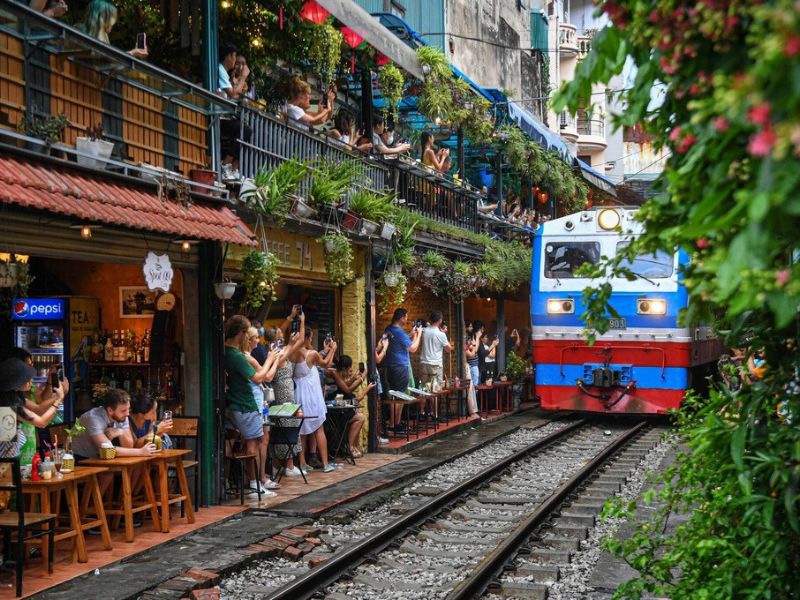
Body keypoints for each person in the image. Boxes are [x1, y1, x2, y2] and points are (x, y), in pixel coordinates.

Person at [223, 315, 282, 496]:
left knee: (232, 441)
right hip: (245, 404)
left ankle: (227, 482)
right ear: (242, 333)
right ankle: (255, 485)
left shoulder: (225, 352)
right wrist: (271, 358)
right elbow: (259, 378)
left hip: (232, 403)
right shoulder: (237, 356)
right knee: (253, 444)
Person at [264, 308, 306, 477]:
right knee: (287, 424)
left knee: (281, 425)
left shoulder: (273, 352)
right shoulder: (280, 354)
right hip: (284, 391)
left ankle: (277, 464)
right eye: (280, 335)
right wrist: (302, 321)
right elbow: (300, 340)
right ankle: (289, 465)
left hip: (281, 390)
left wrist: (290, 317)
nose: (283, 336)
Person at [290, 329, 337, 473]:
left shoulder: (293, 353)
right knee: (318, 428)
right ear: (308, 338)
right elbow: (325, 363)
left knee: (302, 430)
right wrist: (333, 350)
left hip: (299, 393)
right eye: (310, 338)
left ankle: (303, 462)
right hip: (311, 395)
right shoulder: (312, 354)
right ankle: (325, 463)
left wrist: (324, 349)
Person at [242, 326, 283, 491]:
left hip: (262, 402)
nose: (258, 341)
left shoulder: (250, 356)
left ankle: (262, 477)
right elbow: (268, 376)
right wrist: (274, 361)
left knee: (264, 438)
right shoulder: (247, 358)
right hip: (257, 402)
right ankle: (260, 478)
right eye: (256, 338)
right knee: (260, 440)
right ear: (249, 339)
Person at [0, 357, 64, 458]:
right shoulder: (11, 406)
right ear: (16, 384)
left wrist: (58, 397)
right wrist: (58, 400)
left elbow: (39, 409)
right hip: (6, 461)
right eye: (26, 379)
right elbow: (42, 422)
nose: (31, 381)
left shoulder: (9, 400)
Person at [383, 308, 422, 431]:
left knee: (394, 394)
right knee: (399, 396)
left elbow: (400, 340)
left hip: (390, 365)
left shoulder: (388, 329)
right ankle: (394, 424)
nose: (406, 319)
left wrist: (411, 334)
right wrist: (419, 334)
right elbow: (413, 348)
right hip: (400, 366)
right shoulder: (399, 332)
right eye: (406, 317)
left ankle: (395, 423)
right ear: (401, 318)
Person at [328, 355, 375, 458]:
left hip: (341, 408)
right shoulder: (335, 373)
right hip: (335, 411)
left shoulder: (340, 376)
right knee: (360, 417)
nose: (351, 372)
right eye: (349, 370)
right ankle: (349, 447)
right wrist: (362, 379)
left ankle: (352, 446)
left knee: (359, 415)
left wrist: (355, 378)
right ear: (344, 368)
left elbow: (346, 386)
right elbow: (347, 389)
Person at [81, 1, 148, 58]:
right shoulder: (80, 30)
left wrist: (134, 53)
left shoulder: (104, 37)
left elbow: (110, 62)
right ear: (103, 18)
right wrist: (132, 53)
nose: (114, 22)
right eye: (112, 17)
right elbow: (100, 61)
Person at [419, 311, 452, 419]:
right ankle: (435, 414)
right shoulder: (441, 334)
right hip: (436, 365)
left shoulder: (424, 331)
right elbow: (448, 349)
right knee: (434, 390)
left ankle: (422, 413)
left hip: (424, 363)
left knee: (423, 388)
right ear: (440, 321)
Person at [465, 322, 481, 387]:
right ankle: (474, 397)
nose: (472, 328)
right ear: (465, 327)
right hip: (472, 363)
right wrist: (477, 338)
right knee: (474, 384)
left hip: (474, 363)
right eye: (470, 326)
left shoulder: (470, 337)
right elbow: (475, 349)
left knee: (475, 383)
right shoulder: (466, 338)